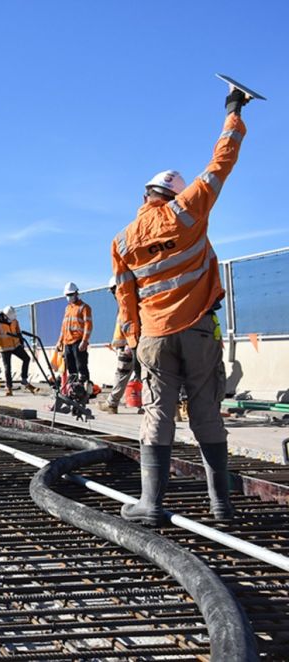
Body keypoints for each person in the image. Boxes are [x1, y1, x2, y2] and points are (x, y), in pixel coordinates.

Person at [112, 85, 252, 525]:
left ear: (146, 194)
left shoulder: (121, 240)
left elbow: (124, 295)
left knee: (157, 412)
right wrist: (233, 110)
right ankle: (220, 504)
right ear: (173, 193)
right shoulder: (188, 210)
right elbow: (220, 163)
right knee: (206, 411)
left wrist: (132, 340)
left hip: (153, 336)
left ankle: (151, 504)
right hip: (196, 329)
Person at [100, 276, 143, 415]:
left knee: (130, 375)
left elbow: (129, 325)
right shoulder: (130, 300)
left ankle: (112, 404)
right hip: (131, 344)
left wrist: (127, 346)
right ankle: (112, 403)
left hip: (131, 345)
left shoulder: (127, 302)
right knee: (134, 375)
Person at [0, 306, 38, 396]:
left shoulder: (14, 321)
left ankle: (24, 379)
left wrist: (21, 343)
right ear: (4, 316)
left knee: (26, 358)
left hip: (15, 345)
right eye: (9, 319)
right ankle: (9, 388)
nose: (10, 320)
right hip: (4, 348)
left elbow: (18, 332)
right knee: (7, 368)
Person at [55, 282, 92, 386]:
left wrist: (84, 341)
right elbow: (64, 327)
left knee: (82, 368)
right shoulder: (67, 308)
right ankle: (73, 392)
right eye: (67, 295)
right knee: (71, 370)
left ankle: (84, 394)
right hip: (67, 343)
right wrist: (60, 341)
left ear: (76, 293)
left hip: (78, 342)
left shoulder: (84, 307)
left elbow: (88, 326)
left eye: (71, 294)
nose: (69, 297)